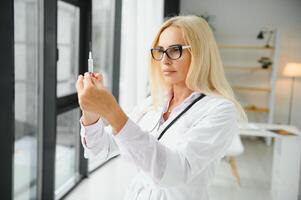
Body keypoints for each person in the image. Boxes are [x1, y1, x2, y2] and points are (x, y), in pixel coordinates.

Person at [76, 15, 246, 200]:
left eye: (175, 50)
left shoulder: (219, 110)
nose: (164, 60)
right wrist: (90, 113)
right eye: (160, 51)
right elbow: (101, 149)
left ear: (200, 53)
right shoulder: (153, 103)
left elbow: (174, 172)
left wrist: (112, 111)